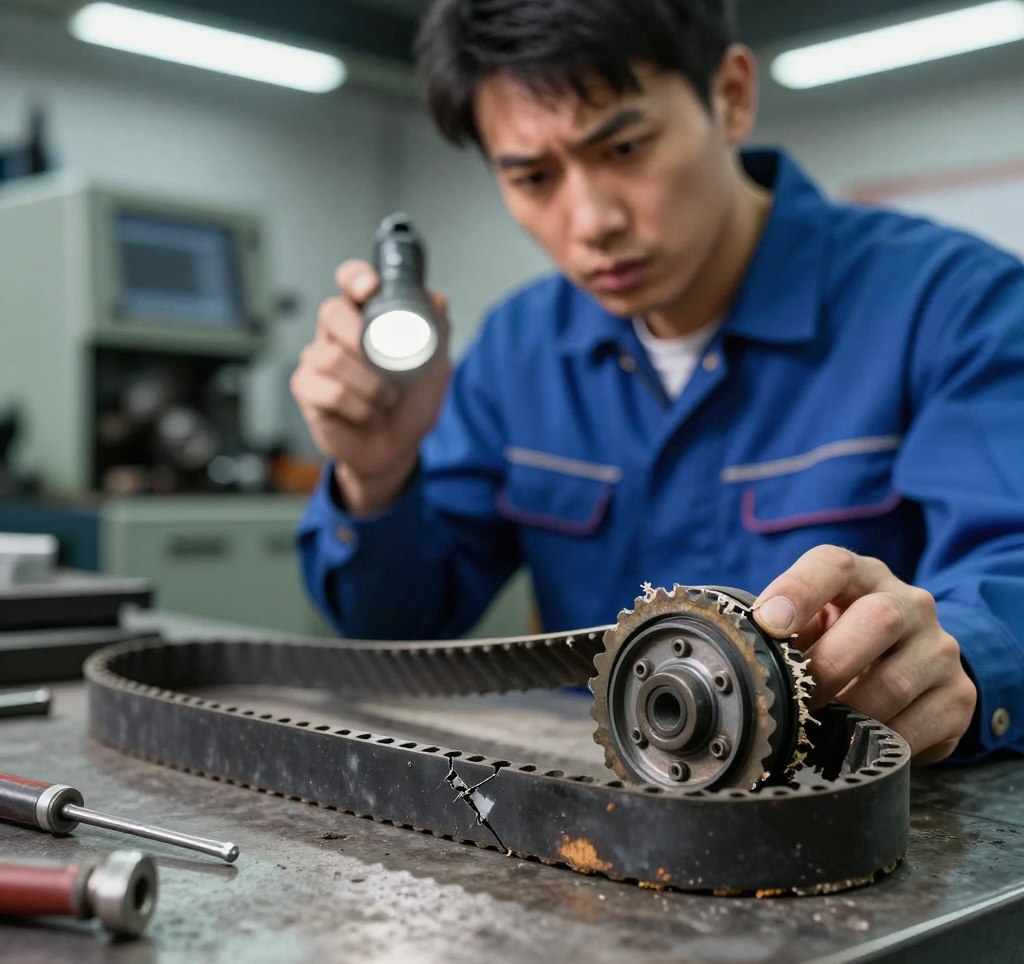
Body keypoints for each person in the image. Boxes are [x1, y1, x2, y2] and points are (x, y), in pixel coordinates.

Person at [290, 0, 1024, 772]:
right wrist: (377, 475)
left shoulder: (954, 305)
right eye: (535, 176)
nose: (592, 219)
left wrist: (957, 663)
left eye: (626, 146)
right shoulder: (518, 349)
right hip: (605, 826)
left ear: (732, 96)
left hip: (865, 818)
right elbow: (403, 630)